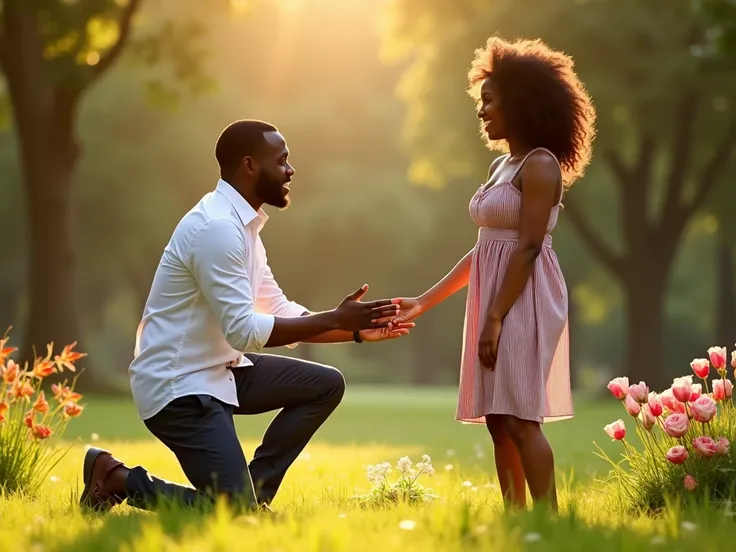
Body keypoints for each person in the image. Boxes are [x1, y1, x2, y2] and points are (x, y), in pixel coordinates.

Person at [79, 120, 413, 513]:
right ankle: (116, 478)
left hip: (220, 371)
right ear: (250, 165)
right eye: (282, 160)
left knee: (324, 384)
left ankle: (252, 497)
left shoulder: (244, 227)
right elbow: (244, 331)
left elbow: (280, 311)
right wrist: (335, 318)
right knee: (230, 512)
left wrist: (354, 330)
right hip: (179, 386)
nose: (291, 171)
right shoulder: (217, 229)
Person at [392, 37, 596, 511]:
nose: (481, 111)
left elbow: (526, 248)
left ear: (520, 102)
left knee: (522, 417)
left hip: (523, 299)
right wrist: (423, 301)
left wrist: (496, 318)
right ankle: (516, 518)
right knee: (497, 419)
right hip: (495, 298)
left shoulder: (541, 165)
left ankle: (548, 522)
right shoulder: (501, 165)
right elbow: (484, 252)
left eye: (490, 101)